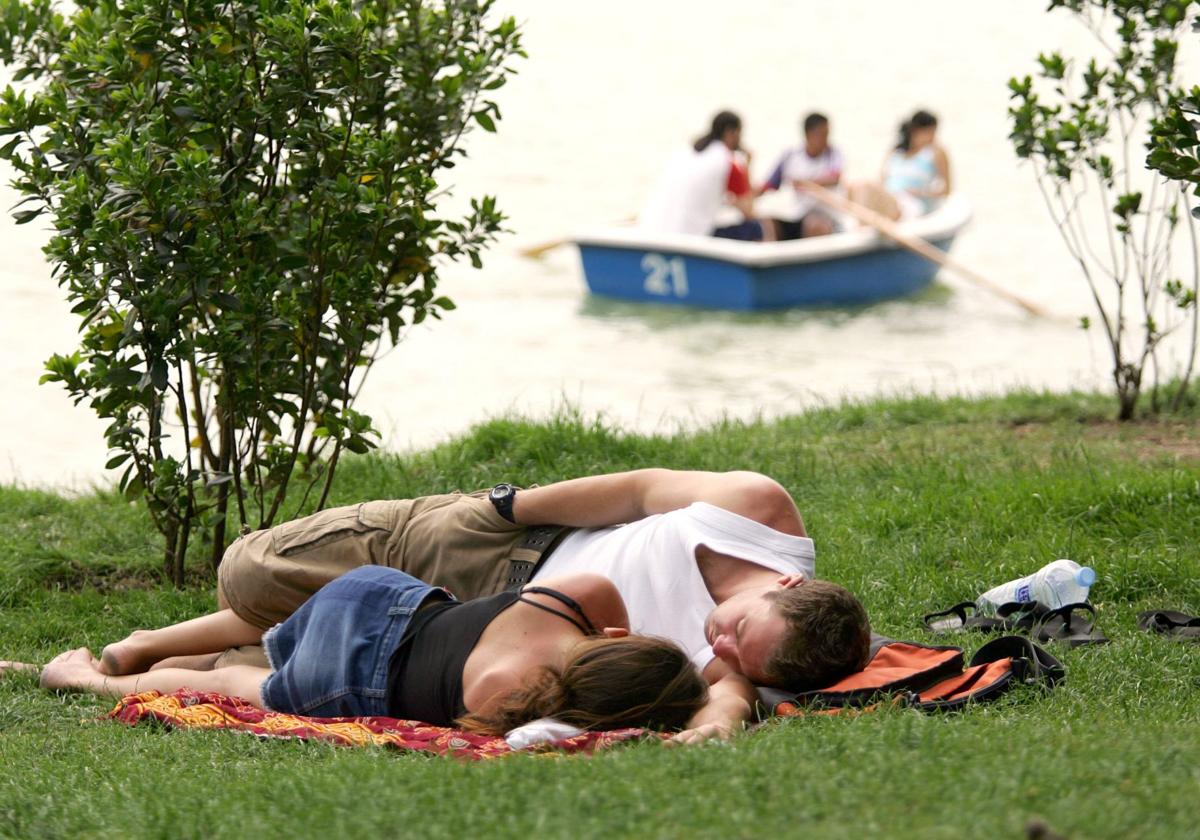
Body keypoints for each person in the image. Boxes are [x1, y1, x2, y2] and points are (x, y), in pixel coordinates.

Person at [95, 468, 873, 743]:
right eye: (737, 628)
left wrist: (715, 727)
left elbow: (726, 706)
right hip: (506, 551)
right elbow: (639, 491)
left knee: (289, 660)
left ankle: (166, 656)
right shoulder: (758, 510)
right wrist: (504, 507)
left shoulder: (744, 666)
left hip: (493, 628)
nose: (719, 644)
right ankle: (153, 641)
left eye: (739, 658)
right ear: (788, 585)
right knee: (253, 570)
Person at [15, 566, 708, 737]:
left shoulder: (587, 596)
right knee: (236, 679)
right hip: (343, 678)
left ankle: (145, 645)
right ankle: (77, 678)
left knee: (255, 642)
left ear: (618, 640)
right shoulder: (514, 705)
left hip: (376, 598)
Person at [639, 111, 776, 242]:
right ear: (731, 132)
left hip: (657, 228)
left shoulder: (687, 153)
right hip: (692, 235)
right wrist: (747, 166)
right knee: (756, 227)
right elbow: (748, 210)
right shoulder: (727, 162)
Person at [849, 110, 951, 221]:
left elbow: (946, 189)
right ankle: (861, 227)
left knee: (866, 186)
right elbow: (883, 179)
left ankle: (865, 223)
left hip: (911, 203)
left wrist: (923, 193)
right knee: (859, 186)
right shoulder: (896, 152)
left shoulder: (935, 153)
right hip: (891, 196)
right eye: (930, 132)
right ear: (916, 131)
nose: (933, 137)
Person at [758, 112, 844, 239]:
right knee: (766, 223)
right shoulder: (790, 155)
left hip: (825, 216)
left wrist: (807, 183)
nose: (826, 140)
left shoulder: (833, 154)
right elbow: (770, 185)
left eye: (827, 134)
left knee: (813, 224)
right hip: (797, 214)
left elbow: (835, 178)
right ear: (809, 134)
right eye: (823, 134)